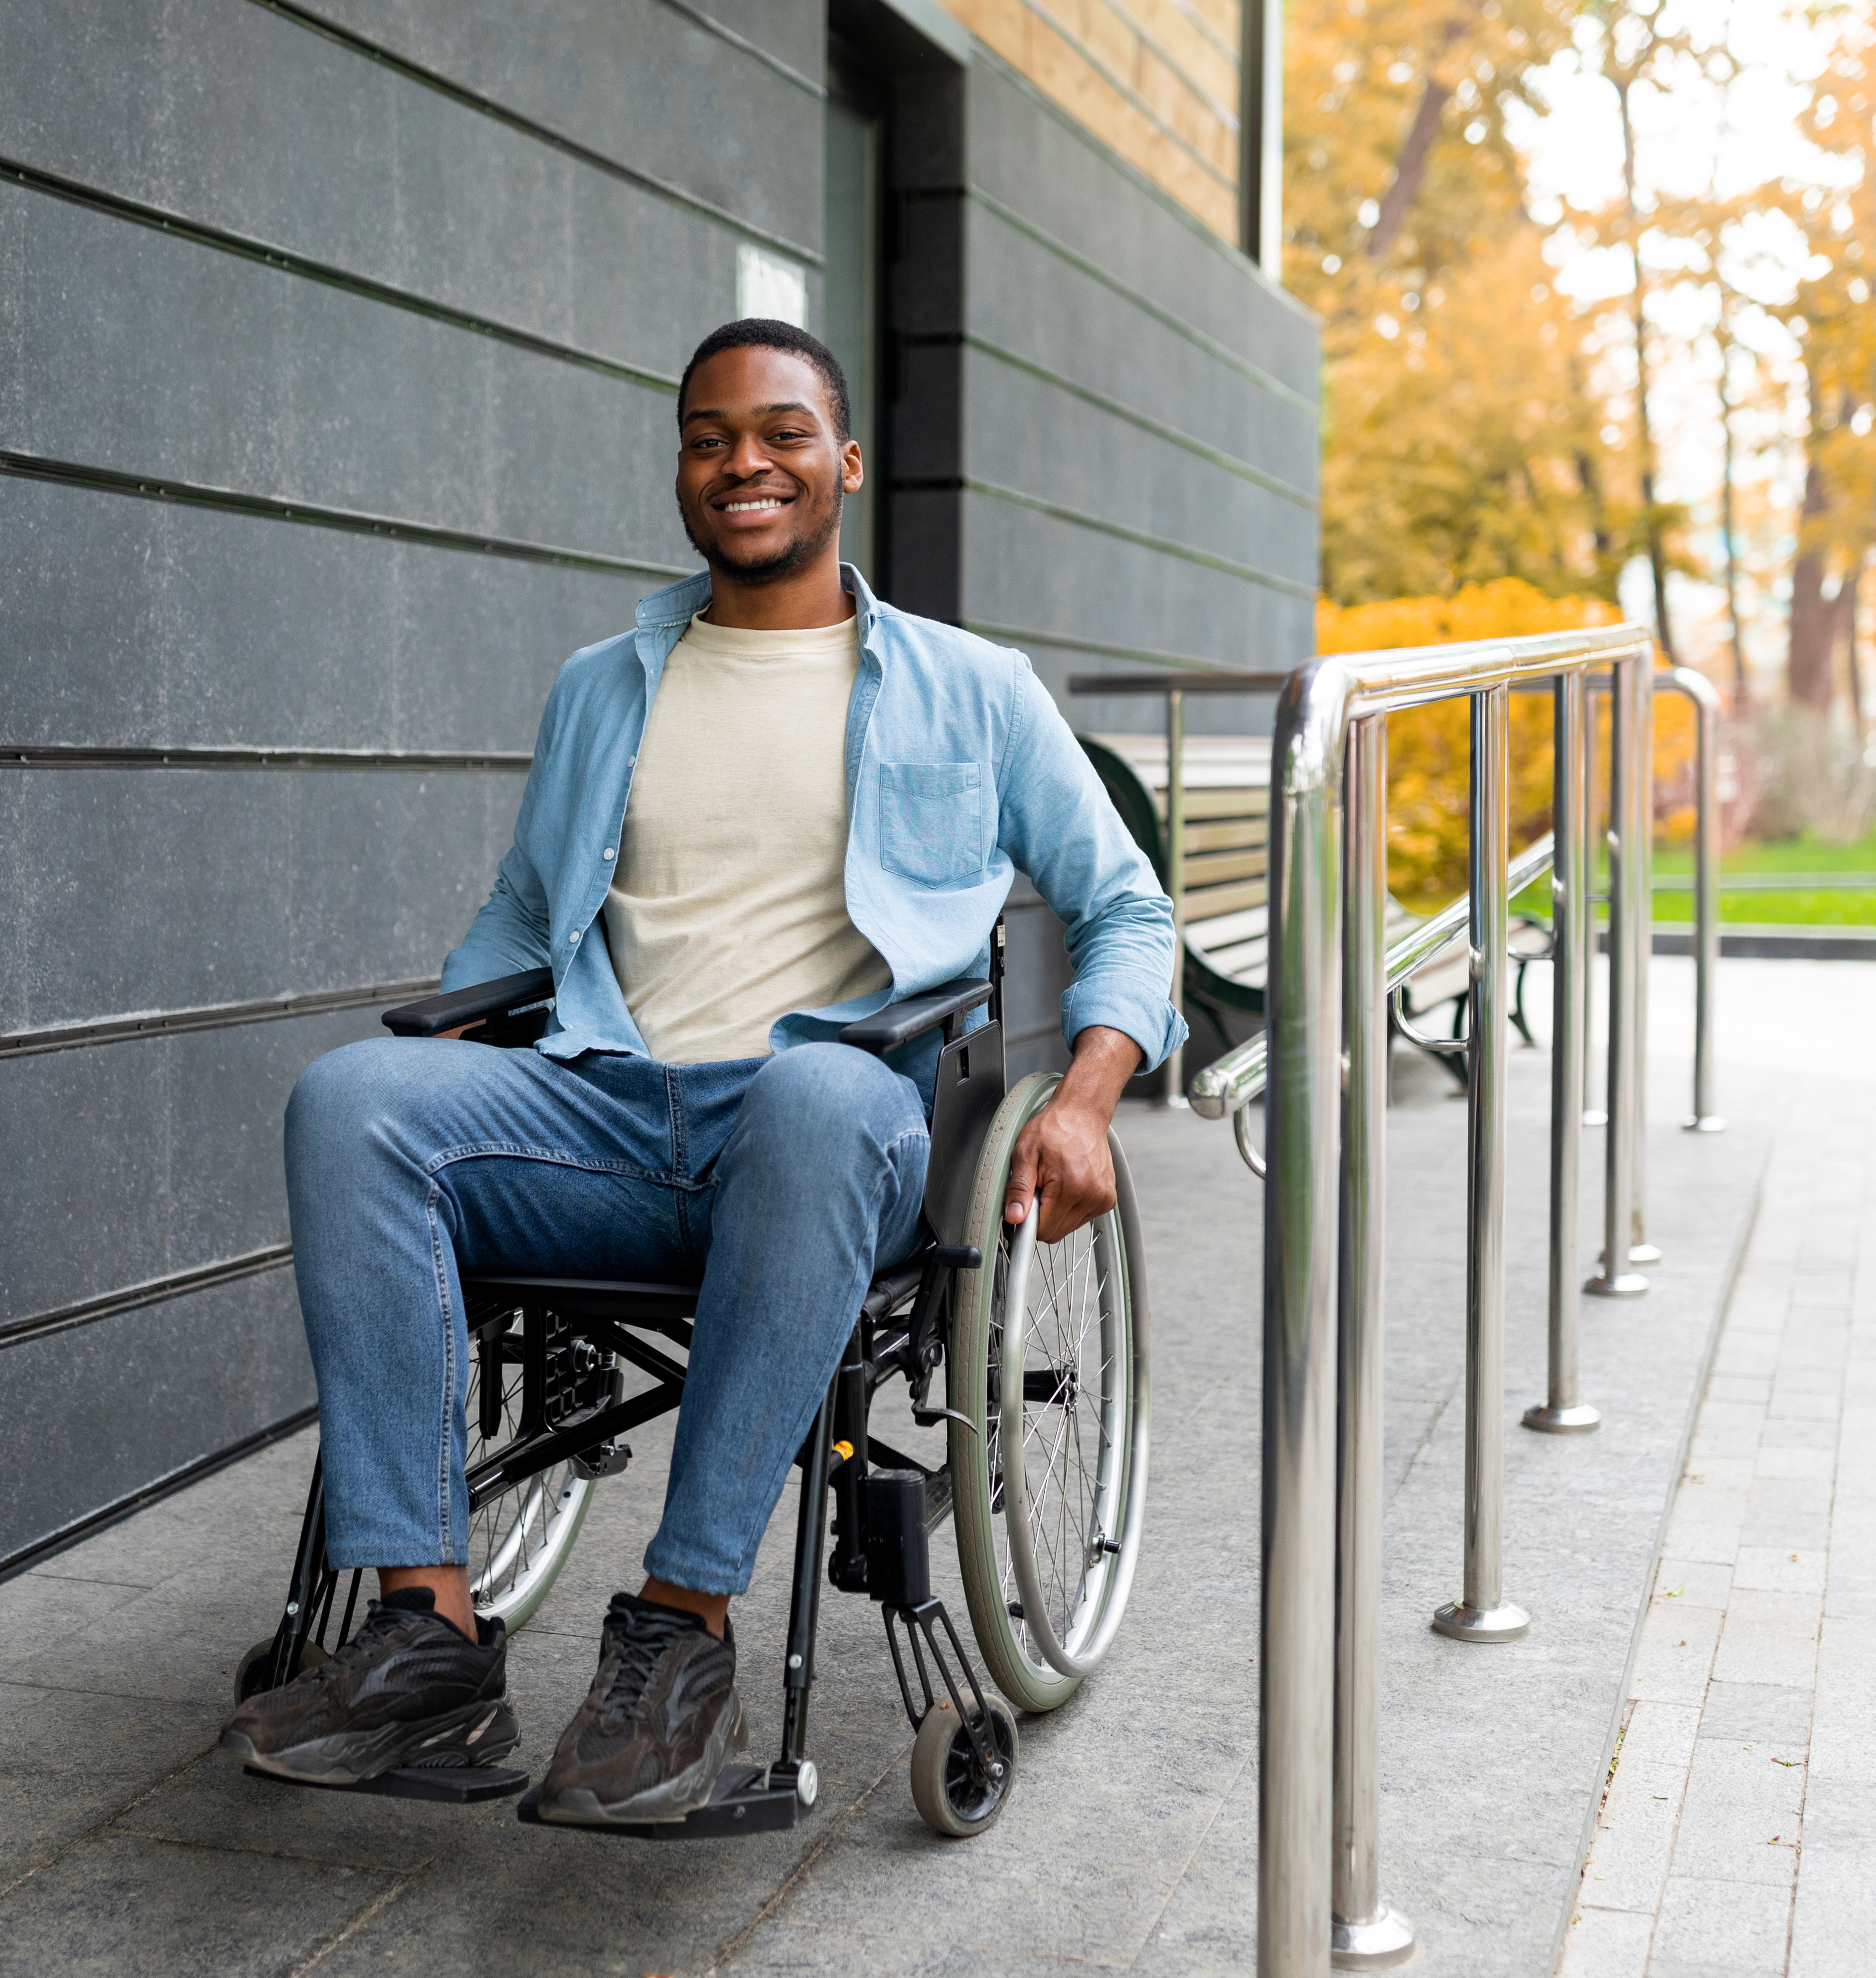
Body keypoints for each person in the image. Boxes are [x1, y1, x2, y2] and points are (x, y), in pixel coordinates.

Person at [220, 319, 1183, 1825]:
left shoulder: (970, 686)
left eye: (784, 432)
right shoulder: (605, 682)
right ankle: (428, 1639)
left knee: (813, 1093)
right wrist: (460, 1043)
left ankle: (680, 1633)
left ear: (845, 463)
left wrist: (1083, 1096)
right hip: (608, 1109)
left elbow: (1127, 903)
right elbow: (527, 914)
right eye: (712, 436)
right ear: (683, 467)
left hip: (834, 1126)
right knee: (351, 1097)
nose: (748, 461)